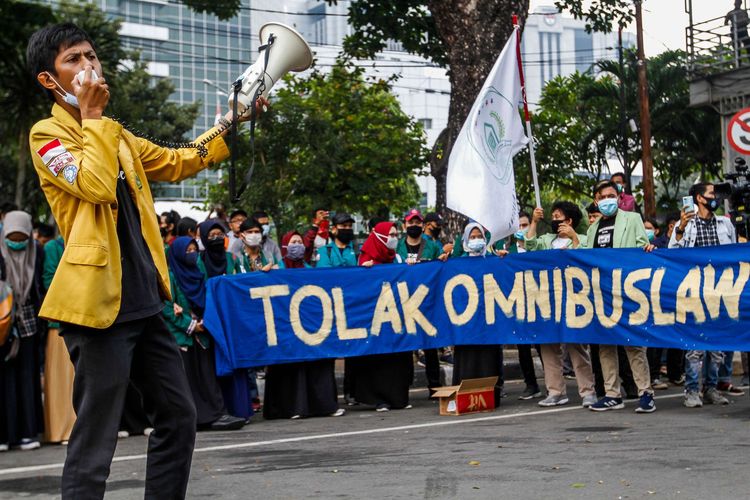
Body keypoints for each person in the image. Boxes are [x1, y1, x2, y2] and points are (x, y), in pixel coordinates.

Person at [26, 22, 263, 498]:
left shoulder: (114, 133)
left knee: (178, 416)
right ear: (48, 80)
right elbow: (94, 186)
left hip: (144, 301)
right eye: (73, 59)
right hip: (96, 308)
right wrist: (93, 118)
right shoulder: (46, 135)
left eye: (91, 55)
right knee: (96, 438)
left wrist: (232, 123)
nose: (89, 65)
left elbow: (178, 160)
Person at [584, 180, 655, 413]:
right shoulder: (592, 229)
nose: (607, 200)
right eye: (602, 197)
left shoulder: (632, 219)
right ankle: (612, 394)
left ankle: (645, 392)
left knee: (633, 344)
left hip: (627, 290)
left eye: (611, 195)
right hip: (602, 292)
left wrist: (648, 250)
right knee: (605, 345)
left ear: (618, 197)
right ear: (596, 201)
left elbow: (643, 247)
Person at [669, 182, 742, 407]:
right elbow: (672, 253)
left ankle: (711, 388)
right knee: (695, 347)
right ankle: (691, 390)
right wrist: (680, 228)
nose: (716, 197)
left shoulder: (725, 223)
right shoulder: (686, 224)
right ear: (699, 198)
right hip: (694, 291)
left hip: (720, 291)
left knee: (717, 346)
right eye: (711, 193)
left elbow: (733, 253)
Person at [163, 236, 245, 431]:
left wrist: (206, 321)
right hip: (183, 336)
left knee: (207, 376)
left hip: (203, 333)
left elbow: (208, 299)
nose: (192, 254)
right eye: (187, 251)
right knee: (188, 379)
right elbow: (166, 306)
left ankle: (216, 414)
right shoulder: (170, 277)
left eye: (194, 250)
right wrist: (190, 324)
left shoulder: (199, 274)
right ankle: (194, 419)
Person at [263, 231, 344, 420]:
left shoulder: (309, 269)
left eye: (300, 242)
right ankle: (292, 408)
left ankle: (323, 406)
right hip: (286, 329)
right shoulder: (277, 269)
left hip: (310, 326)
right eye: (293, 242)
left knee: (319, 363)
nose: (297, 245)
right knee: (292, 367)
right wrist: (267, 274)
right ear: (285, 246)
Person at [523, 203, 597, 408]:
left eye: (557, 216)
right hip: (549, 300)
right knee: (549, 346)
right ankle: (555, 391)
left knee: (577, 345)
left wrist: (574, 239)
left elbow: (588, 260)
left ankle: (588, 391)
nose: (553, 220)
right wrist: (534, 222)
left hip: (574, 299)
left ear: (569, 221)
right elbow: (529, 246)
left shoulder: (583, 239)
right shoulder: (547, 240)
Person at [349, 222, 413, 411]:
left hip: (396, 318)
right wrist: (364, 272)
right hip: (376, 320)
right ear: (379, 236)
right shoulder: (365, 259)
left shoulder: (397, 258)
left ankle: (399, 398)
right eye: (390, 234)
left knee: (397, 359)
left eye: (395, 234)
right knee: (378, 360)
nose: (394, 238)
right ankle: (379, 399)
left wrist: (410, 269)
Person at [197, 219, 255, 420]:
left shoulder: (233, 258)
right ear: (204, 238)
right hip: (212, 321)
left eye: (219, 234)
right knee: (216, 364)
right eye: (211, 235)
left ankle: (240, 409)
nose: (216, 238)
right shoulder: (199, 261)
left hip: (233, 319)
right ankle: (221, 410)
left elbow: (242, 282)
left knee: (237, 363)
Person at [0, 211, 45, 452]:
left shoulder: (37, 252)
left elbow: (40, 286)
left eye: (21, 238)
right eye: (11, 237)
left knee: (27, 378)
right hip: (3, 324)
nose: (16, 242)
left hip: (28, 324)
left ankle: (27, 433)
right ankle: (5, 435)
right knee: (5, 380)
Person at [452, 222, 504, 406]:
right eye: (472, 237)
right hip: (466, 323)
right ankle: (465, 396)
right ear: (465, 240)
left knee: (488, 357)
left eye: (479, 236)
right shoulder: (456, 263)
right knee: (467, 357)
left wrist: (504, 260)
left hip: (488, 322)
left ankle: (490, 395)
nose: (476, 240)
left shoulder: (493, 259)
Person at [317, 213, 359, 403]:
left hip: (351, 306)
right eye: (343, 226)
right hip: (330, 308)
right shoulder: (325, 251)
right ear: (334, 229)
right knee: (330, 351)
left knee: (353, 351)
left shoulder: (355, 250)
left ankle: (351, 392)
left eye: (349, 226)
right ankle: (329, 395)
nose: (347, 230)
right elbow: (325, 274)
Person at [41, 232, 76, 444]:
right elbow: (49, 280)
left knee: (77, 378)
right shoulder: (53, 248)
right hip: (60, 322)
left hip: (83, 322)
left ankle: (76, 428)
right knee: (61, 380)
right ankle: (60, 430)